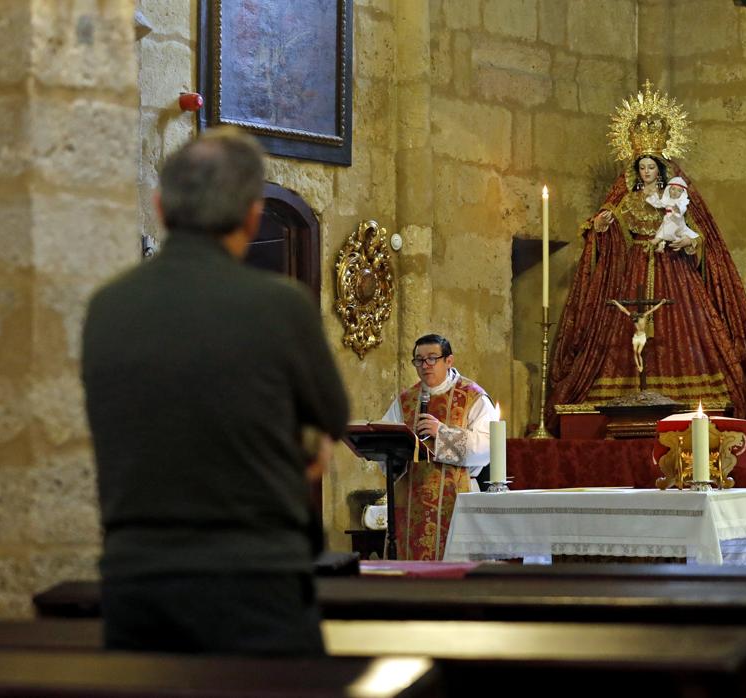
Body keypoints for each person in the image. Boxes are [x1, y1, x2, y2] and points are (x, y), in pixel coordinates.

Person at [81, 127, 349, 655]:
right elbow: (333, 416)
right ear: (252, 215)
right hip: (254, 577)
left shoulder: (106, 307)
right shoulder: (282, 305)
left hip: (137, 580)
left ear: (160, 206)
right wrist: (300, 452)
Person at [545, 83, 746, 426]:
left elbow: (700, 237)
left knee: (683, 332)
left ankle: (691, 400)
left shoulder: (676, 198)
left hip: (673, 271)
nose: (646, 173)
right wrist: (601, 225)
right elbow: (608, 228)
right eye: (642, 168)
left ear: (661, 169)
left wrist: (688, 244)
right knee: (624, 335)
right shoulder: (627, 200)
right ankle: (625, 397)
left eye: (651, 167)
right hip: (633, 272)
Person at [380, 334, 499, 560]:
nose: (425, 366)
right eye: (419, 360)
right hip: (412, 498)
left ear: (449, 361)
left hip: (457, 499)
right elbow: (387, 442)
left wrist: (442, 434)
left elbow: (487, 445)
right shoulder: (405, 401)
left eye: (432, 358)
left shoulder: (473, 396)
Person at [608, 299, 672, 374]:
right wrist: (616, 303)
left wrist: (661, 303)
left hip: (642, 337)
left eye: (634, 319)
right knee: (635, 351)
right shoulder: (633, 317)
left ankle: (641, 366)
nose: (634, 320)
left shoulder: (643, 316)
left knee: (638, 352)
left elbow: (653, 309)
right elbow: (624, 310)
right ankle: (638, 366)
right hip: (636, 336)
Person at [646, 176, 698, 253]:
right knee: (661, 230)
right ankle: (661, 247)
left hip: (676, 221)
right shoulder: (667, 200)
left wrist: (676, 209)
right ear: (669, 189)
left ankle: (656, 240)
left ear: (682, 193)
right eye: (673, 189)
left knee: (666, 229)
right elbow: (658, 204)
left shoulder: (681, 202)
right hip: (668, 219)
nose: (675, 192)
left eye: (679, 191)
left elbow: (682, 209)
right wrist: (653, 196)